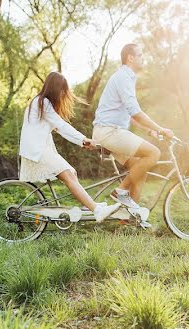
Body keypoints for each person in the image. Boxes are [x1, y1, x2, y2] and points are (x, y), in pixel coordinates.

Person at [19, 72, 118, 223]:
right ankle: (97, 210)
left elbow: (60, 129)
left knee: (72, 172)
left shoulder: (41, 103)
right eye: (62, 90)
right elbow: (62, 126)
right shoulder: (42, 103)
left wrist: (82, 142)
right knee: (68, 175)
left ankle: (89, 206)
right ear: (55, 88)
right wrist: (84, 139)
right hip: (37, 151)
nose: (63, 94)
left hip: (40, 150)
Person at [92, 43, 173, 226]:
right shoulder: (123, 77)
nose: (143, 58)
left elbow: (131, 113)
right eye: (141, 55)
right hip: (109, 131)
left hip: (110, 131)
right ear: (130, 57)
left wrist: (150, 130)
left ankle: (128, 219)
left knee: (139, 166)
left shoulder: (127, 77)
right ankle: (120, 192)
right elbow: (135, 111)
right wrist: (161, 129)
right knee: (153, 153)